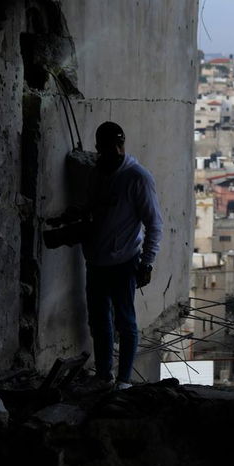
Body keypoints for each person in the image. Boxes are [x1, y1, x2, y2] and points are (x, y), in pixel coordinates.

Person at [82, 122, 162, 389]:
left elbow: (154, 223)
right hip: (96, 262)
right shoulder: (96, 175)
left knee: (125, 323)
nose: (114, 152)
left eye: (118, 146)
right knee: (100, 322)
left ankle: (124, 379)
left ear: (122, 145)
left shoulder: (137, 177)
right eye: (108, 148)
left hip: (124, 262)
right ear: (99, 149)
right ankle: (104, 375)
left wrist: (147, 262)